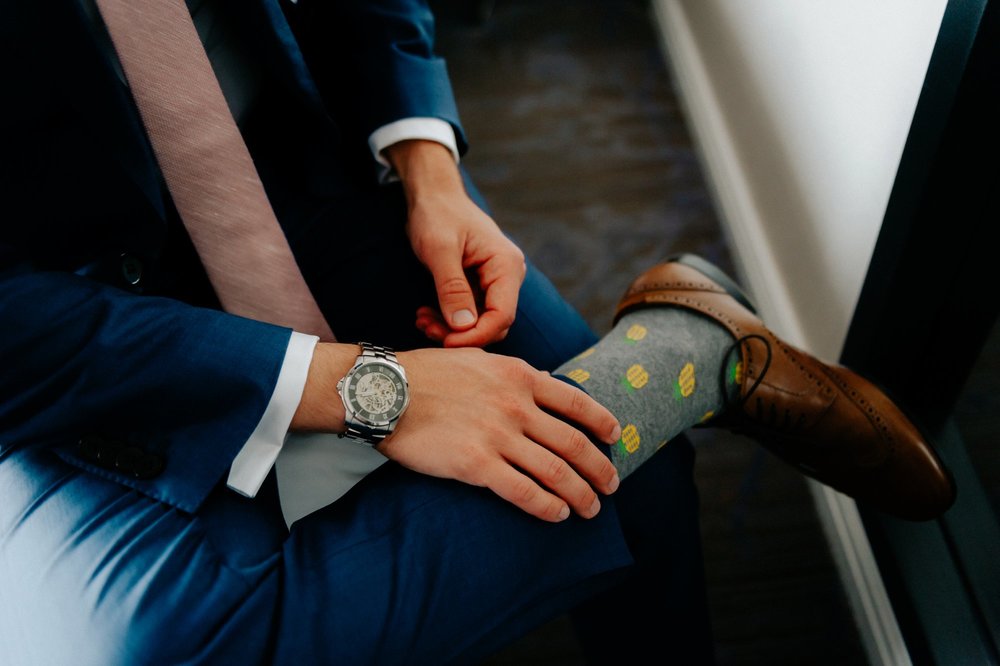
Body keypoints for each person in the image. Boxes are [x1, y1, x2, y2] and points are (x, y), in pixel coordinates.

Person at [0, 1, 954, 664]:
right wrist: (382, 392)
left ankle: (668, 376)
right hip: (58, 320)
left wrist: (426, 164)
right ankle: (674, 362)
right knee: (160, 648)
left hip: (307, 166)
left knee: (615, 467)